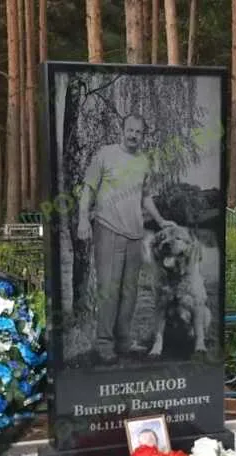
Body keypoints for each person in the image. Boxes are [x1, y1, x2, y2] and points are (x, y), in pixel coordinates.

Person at [77, 113, 175, 364]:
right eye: (130, 130)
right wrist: (82, 220)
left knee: (130, 292)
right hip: (108, 229)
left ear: (143, 136)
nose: (133, 135)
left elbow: (146, 197)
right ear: (122, 130)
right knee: (109, 290)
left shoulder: (144, 161)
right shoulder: (105, 154)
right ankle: (104, 344)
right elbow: (88, 189)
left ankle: (123, 342)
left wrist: (160, 220)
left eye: (138, 132)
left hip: (135, 234)